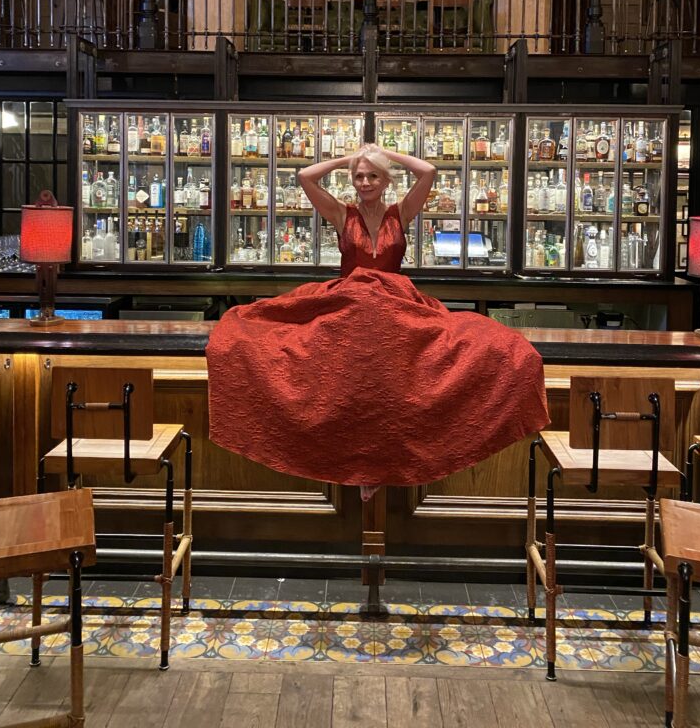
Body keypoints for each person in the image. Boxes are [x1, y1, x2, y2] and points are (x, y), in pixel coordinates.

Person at [207, 144, 548, 495]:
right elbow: (304, 176)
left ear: (386, 181)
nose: (365, 182)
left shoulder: (399, 214)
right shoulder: (343, 214)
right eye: (359, 176)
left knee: (465, 348)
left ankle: (378, 464)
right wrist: (350, 158)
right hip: (348, 304)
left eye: (373, 176)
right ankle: (356, 463)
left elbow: (428, 171)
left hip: (395, 305)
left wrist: (384, 154)